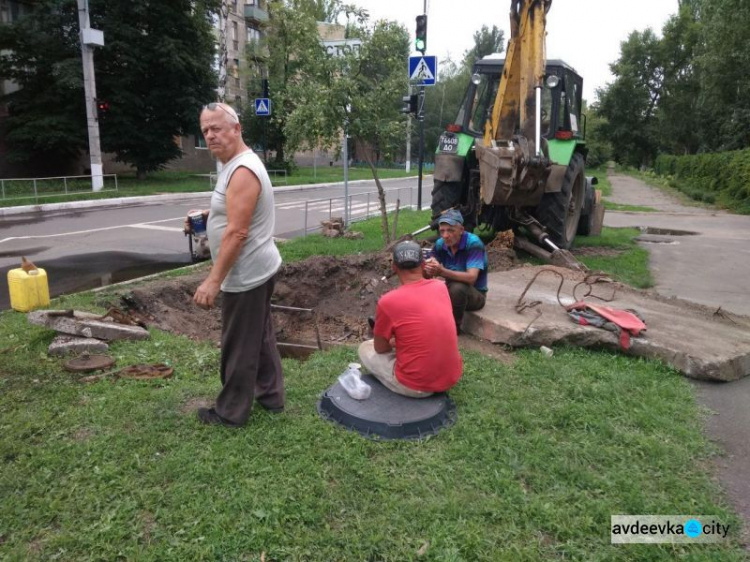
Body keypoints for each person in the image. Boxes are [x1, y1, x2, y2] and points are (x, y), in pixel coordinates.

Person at [188, 102, 284, 427]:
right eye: (205, 131)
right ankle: (270, 395)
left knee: (239, 344)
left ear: (236, 129)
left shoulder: (243, 170)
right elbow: (232, 213)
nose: (211, 135)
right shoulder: (231, 165)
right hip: (259, 266)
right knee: (259, 336)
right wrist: (207, 217)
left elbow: (238, 231)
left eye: (217, 128)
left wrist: (213, 281)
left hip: (246, 273)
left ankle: (230, 413)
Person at [358, 240, 462, 398]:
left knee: (365, 348)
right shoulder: (440, 287)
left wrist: (392, 341)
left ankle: (402, 380)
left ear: (394, 267)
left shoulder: (388, 301)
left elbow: (380, 348)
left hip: (416, 387)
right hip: (450, 378)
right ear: (423, 264)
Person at [423, 209, 488, 333]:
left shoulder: (474, 243)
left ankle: (454, 328)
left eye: (450, 230)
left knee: (457, 288)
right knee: (423, 284)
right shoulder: (441, 244)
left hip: (475, 295)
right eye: (442, 231)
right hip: (449, 288)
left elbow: (471, 278)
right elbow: (426, 271)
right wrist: (427, 269)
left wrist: (441, 271)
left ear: (461, 230)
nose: (445, 235)